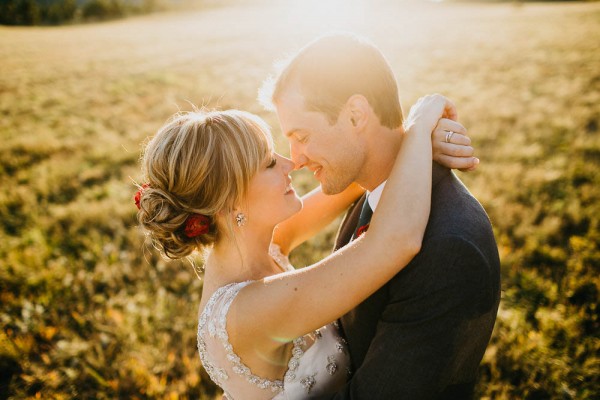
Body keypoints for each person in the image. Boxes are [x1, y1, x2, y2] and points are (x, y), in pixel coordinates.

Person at [135, 94, 466, 399]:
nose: (289, 163)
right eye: (268, 163)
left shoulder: (261, 246)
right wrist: (421, 123)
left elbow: (355, 179)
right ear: (230, 204)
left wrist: (411, 148)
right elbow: (394, 242)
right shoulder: (245, 313)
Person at [260, 33, 501, 399]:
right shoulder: (370, 186)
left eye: (303, 136)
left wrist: (417, 136)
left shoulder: (451, 249)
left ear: (356, 114)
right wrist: (415, 140)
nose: (296, 159)